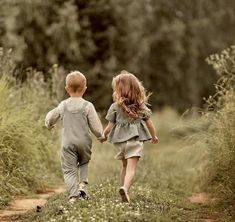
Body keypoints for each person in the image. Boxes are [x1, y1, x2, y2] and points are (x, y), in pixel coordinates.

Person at [99, 70, 158, 203]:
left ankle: (123, 188)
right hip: (134, 142)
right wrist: (154, 137)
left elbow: (110, 126)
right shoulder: (141, 107)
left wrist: (103, 135)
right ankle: (125, 188)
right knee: (131, 169)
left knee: (124, 166)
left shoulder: (114, 107)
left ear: (118, 90)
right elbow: (150, 124)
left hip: (120, 143)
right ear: (136, 89)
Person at [45, 71, 103, 203]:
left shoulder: (63, 105)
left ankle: (73, 196)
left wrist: (48, 124)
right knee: (83, 163)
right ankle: (83, 185)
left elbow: (51, 117)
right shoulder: (88, 106)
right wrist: (100, 136)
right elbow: (96, 126)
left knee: (69, 170)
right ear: (85, 89)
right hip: (84, 143)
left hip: (68, 143)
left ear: (66, 89)